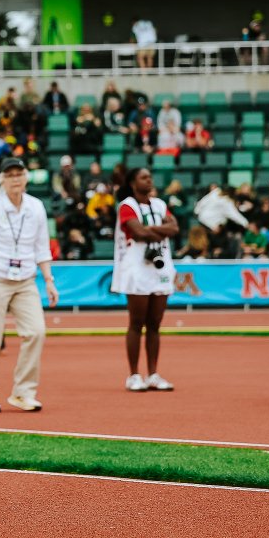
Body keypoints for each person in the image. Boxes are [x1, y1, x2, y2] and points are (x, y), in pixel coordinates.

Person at [0, 157, 58, 413]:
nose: (15, 179)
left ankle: (23, 392)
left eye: (19, 174)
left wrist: (49, 281)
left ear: (26, 177)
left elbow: (42, 247)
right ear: (2, 180)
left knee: (36, 331)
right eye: (10, 175)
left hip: (26, 280)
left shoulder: (36, 207)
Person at [112, 167, 178, 393]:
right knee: (136, 322)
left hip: (159, 268)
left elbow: (175, 227)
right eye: (143, 177)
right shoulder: (127, 205)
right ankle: (133, 374)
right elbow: (137, 233)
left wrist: (151, 229)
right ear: (132, 182)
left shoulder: (159, 204)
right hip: (137, 268)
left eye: (150, 177)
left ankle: (153, 374)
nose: (149, 180)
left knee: (155, 324)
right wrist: (161, 230)